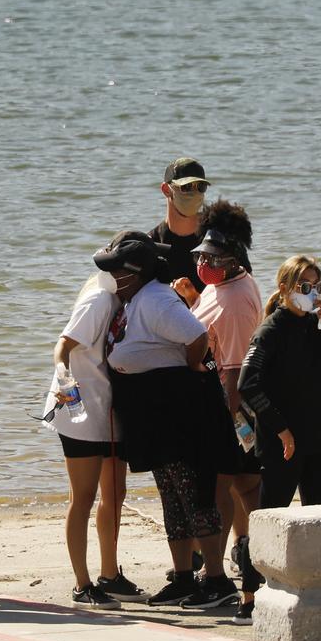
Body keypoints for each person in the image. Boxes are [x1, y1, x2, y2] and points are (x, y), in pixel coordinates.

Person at [98, 231, 240, 609]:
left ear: (135, 272)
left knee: (196, 494)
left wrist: (194, 364)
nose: (110, 278)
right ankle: (182, 578)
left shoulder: (157, 300)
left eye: (115, 271)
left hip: (178, 410)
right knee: (172, 497)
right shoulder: (136, 297)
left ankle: (216, 580)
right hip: (152, 410)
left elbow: (198, 337)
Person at [236, 255, 321, 622]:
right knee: (269, 515)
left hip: (319, 440)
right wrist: (280, 428)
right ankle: (249, 592)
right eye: (305, 286)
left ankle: (310, 587)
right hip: (282, 444)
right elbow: (247, 385)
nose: (312, 293)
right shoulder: (271, 330)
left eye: (318, 286)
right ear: (286, 289)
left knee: (316, 517)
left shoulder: (319, 329)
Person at [44, 271, 146, 610]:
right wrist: (64, 378)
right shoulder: (99, 299)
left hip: (109, 410)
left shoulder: (125, 298)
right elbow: (63, 346)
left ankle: (109, 575)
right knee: (84, 497)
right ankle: (81, 584)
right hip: (79, 411)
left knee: (115, 492)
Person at [186, 200, 263, 605]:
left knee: (220, 492)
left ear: (233, 258)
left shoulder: (233, 301)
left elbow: (232, 371)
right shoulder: (225, 286)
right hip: (227, 407)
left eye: (213, 258)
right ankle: (253, 557)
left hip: (227, 407)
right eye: (201, 255)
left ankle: (216, 576)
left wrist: (228, 425)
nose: (204, 263)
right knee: (244, 487)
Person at [149, 157, 211, 306]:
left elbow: (241, 294)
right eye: (186, 187)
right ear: (166, 190)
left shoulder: (219, 240)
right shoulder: (151, 245)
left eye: (200, 187)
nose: (194, 193)